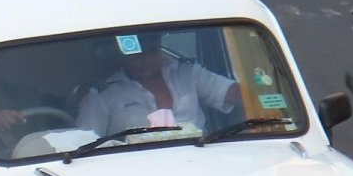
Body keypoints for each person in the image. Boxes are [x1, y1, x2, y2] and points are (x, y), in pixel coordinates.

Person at [76, 33, 241, 136]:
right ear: (122, 54)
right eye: (137, 55)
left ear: (160, 45)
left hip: (202, 160)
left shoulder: (187, 73)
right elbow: (82, 144)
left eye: (152, 51)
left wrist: (263, 90)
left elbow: (234, 93)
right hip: (134, 175)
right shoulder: (102, 97)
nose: (145, 60)